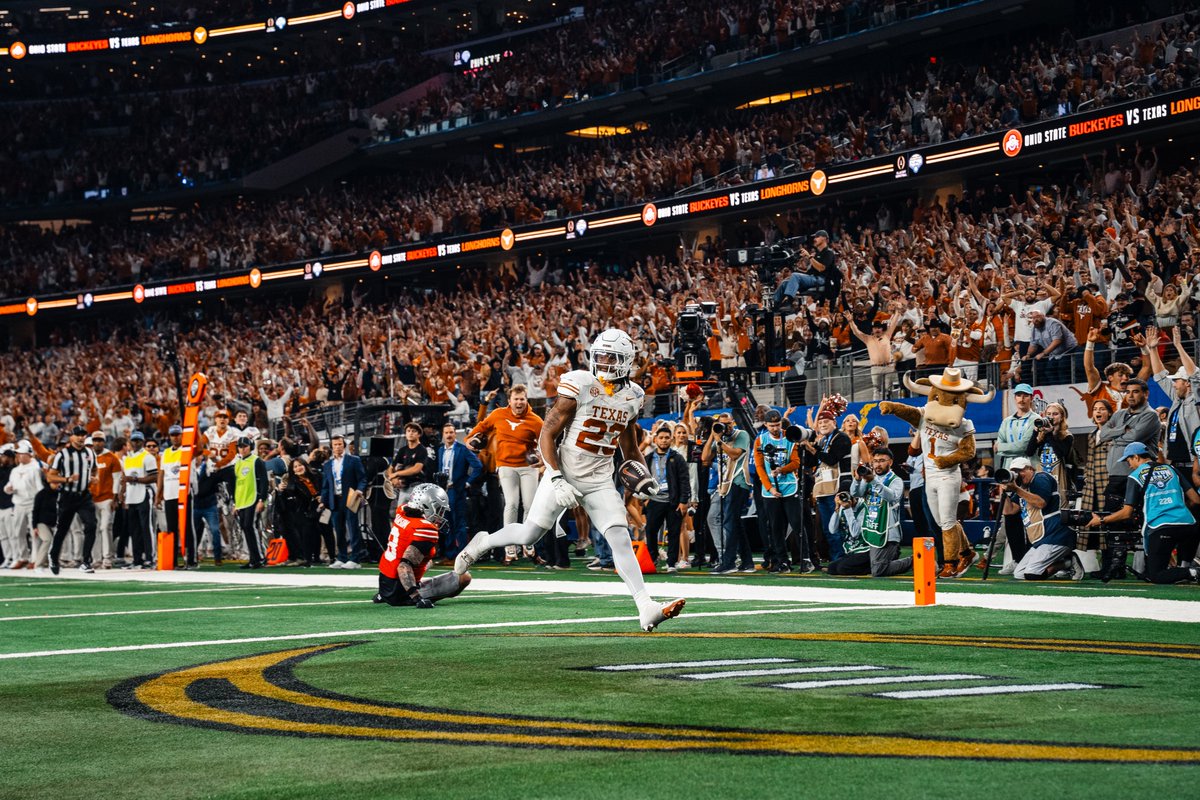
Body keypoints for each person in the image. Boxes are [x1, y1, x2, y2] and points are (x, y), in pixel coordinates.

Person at [455, 329, 685, 632]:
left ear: (626, 362)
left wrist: (646, 481)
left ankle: (646, 607)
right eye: (599, 355)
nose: (602, 362)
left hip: (600, 476)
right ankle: (483, 542)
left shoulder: (633, 396)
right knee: (529, 535)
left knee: (619, 535)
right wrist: (556, 477)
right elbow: (547, 434)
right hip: (564, 470)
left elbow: (628, 448)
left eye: (610, 357)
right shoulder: (581, 383)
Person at [1087, 443, 1200, 585]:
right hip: (1189, 526)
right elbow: (1196, 499)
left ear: (1136, 457)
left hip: (1160, 526)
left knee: (1156, 575)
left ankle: (1193, 572)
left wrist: (1102, 520)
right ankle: (1187, 570)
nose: (1129, 465)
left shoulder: (1135, 477)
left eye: (1128, 460)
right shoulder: (1172, 469)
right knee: (1179, 564)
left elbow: (1127, 513)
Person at [467, 384, 543, 564]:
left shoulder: (535, 420)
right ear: (509, 401)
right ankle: (510, 548)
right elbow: (480, 427)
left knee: (530, 506)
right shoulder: (498, 414)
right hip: (506, 465)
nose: (519, 402)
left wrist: (542, 458)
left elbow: (546, 440)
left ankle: (528, 542)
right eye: (516, 399)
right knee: (511, 504)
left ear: (526, 401)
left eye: (522, 399)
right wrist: (470, 438)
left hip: (527, 467)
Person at [375, 483, 472, 607]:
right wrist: (416, 597)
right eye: (438, 509)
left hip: (385, 584)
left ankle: (382, 595)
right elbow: (403, 566)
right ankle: (410, 595)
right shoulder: (425, 530)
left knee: (427, 561)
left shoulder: (402, 511)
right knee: (464, 577)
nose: (441, 514)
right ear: (426, 507)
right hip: (401, 591)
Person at [1003, 457, 1083, 580]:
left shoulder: (1040, 478)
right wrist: (1004, 493)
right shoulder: (1022, 489)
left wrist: (1016, 489)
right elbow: (1009, 510)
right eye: (1014, 472)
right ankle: (1065, 561)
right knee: (1019, 574)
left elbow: (1041, 502)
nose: (1018, 474)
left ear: (1030, 469)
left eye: (1021, 470)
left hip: (1055, 534)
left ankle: (1069, 561)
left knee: (1032, 574)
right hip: (1042, 538)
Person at [753, 410, 811, 573]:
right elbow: (759, 466)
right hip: (770, 490)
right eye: (771, 425)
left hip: (789, 486)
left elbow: (796, 462)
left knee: (797, 524)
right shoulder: (760, 440)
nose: (775, 428)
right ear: (765, 425)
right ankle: (782, 561)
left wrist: (782, 470)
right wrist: (770, 488)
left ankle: (805, 558)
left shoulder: (790, 437)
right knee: (775, 528)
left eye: (777, 425)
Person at [1145, 325, 1200, 476]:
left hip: (1194, 464)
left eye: (1178, 380)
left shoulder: (1196, 399)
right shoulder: (1177, 400)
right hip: (1175, 464)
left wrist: (1178, 346)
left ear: (1188, 383)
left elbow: (1194, 375)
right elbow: (1160, 376)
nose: (1174, 384)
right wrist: (1153, 349)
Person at [705, 411, 755, 574]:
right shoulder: (720, 437)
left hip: (739, 481)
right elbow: (705, 458)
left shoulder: (742, 434)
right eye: (722, 424)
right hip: (726, 484)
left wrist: (719, 441)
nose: (725, 427)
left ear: (733, 422)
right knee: (735, 522)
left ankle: (729, 561)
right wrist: (713, 436)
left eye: (728, 423)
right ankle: (747, 562)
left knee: (729, 521)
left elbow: (734, 455)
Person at [849, 447, 913, 577]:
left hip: (888, 531)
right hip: (873, 529)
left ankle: (917, 561)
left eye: (882, 460)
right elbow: (855, 494)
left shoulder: (896, 480)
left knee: (878, 571)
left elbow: (892, 497)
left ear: (890, 462)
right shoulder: (868, 479)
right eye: (875, 461)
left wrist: (873, 481)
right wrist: (857, 480)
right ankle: (894, 558)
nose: (878, 464)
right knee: (877, 568)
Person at [46, 426, 99, 574]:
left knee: (91, 525)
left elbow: (95, 469)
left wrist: (95, 477)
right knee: (62, 529)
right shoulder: (62, 455)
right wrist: (66, 479)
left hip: (84, 495)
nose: (81, 438)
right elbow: (50, 476)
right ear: (71, 437)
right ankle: (53, 556)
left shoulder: (90, 452)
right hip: (67, 496)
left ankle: (86, 561)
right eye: (78, 435)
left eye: (83, 435)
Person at [642, 424, 690, 572]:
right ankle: (653, 557)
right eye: (661, 438)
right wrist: (645, 498)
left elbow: (684, 480)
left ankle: (671, 563)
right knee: (650, 531)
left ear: (671, 439)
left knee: (674, 532)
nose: (664, 440)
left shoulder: (677, 458)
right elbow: (643, 479)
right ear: (655, 439)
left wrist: (683, 501)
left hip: (673, 501)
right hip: (654, 500)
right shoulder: (648, 458)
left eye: (667, 438)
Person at [434, 423, 482, 561]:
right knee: (446, 522)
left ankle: (462, 554)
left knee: (459, 523)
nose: (449, 435)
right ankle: (450, 555)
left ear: (455, 434)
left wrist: (467, 482)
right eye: (446, 432)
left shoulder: (462, 449)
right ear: (443, 435)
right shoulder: (440, 450)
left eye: (451, 432)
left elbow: (478, 466)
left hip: (457, 490)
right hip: (443, 491)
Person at [321, 434, 367, 568]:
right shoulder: (328, 464)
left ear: (344, 445)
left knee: (353, 528)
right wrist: (323, 500)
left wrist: (360, 490)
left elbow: (362, 479)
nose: (338, 447)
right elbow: (326, 484)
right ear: (331, 447)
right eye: (335, 445)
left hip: (351, 497)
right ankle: (341, 557)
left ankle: (355, 558)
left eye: (340, 444)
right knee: (339, 529)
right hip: (334, 499)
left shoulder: (353, 460)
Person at [227, 436, 269, 569]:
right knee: (246, 528)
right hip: (241, 501)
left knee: (250, 527)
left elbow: (264, 481)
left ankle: (260, 557)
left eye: (245, 446)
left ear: (250, 446)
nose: (242, 449)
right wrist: (235, 504)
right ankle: (253, 558)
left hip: (253, 499)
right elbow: (236, 485)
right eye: (240, 447)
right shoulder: (237, 463)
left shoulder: (256, 461)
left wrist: (262, 499)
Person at [120, 431, 158, 569]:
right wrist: (122, 492)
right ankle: (137, 559)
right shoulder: (127, 458)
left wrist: (134, 479)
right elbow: (125, 477)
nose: (136, 443)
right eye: (134, 441)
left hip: (144, 493)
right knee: (134, 529)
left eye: (138, 441)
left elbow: (154, 477)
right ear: (130, 442)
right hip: (131, 495)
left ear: (142, 442)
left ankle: (150, 557)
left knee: (146, 527)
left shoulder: (147, 457)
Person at [89, 431, 122, 569]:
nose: (97, 443)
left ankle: (107, 558)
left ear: (104, 441)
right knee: (94, 529)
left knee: (105, 527)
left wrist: (115, 497)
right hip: (92, 498)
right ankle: (96, 559)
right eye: (95, 440)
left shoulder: (112, 458)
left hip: (107, 497)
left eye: (100, 440)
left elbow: (117, 479)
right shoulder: (88, 457)